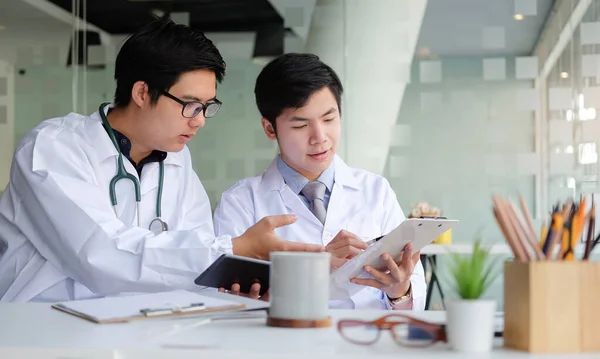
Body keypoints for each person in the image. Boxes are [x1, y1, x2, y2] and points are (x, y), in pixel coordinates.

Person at [0, 18, 322, 303]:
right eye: (190, 104)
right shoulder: (52, 149)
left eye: (207, 106)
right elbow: (100, 256)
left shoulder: (177, 162)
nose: (199, 120)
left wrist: (233, 280)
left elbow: (192, 261)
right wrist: (232, 250)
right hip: (41, 334)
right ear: (141, 93)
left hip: (138, 331)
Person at [213, 53, 427, 310]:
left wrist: (399, 291)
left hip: (369, 345)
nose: (320, 137)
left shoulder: (376, 191)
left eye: (329, 119)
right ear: (270, 129)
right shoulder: (241, 202)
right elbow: (221, 299)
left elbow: (413, 301)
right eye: (301, 125)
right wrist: (313, 268)